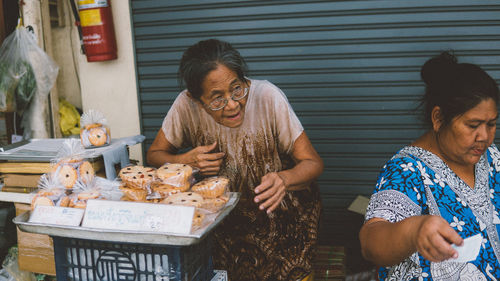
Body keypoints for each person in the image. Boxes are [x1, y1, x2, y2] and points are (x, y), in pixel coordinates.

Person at [147, 39, 323, 281]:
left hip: (283, 225)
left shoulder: (268, 97)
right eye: (217, 98)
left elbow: (313, 163)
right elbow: (154, 155)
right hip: (223, 230)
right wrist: (185, 161)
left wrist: (284, 179)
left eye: (237, 89)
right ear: (197, 100)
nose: (232, 105)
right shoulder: (185, 106)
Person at [359, 51, 500, 280]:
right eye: (473, 125)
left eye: (491, 124)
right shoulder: (406, 171)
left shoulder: (491, 157)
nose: (484, 136)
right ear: (438, 118)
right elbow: (371, 242)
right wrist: (414, 231)